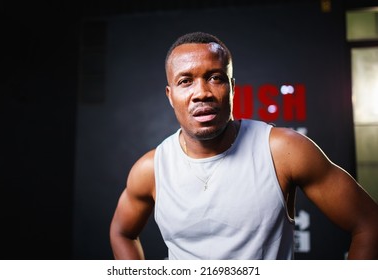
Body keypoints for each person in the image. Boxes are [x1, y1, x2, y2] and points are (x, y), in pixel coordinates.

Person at [109, 31, 378, 260]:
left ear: (232, 87)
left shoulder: (282, 151)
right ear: (170, 95)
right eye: (185, 81)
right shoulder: (151, 169)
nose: (201, 92)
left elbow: (369, 223)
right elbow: (122, 232)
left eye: (215, 77)